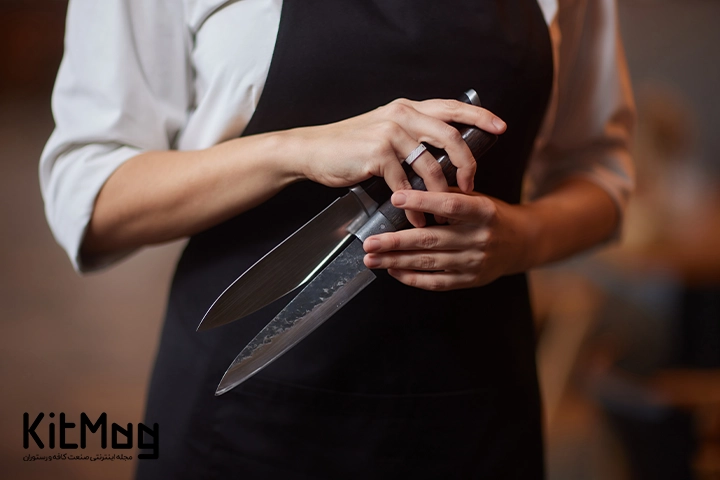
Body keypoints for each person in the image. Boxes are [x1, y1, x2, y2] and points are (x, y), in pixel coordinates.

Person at [40, 0, 635, 478]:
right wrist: (294, 151)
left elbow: (601, 175)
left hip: (472, 417)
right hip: (241, 425)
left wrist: (524, 238)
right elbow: (88, 197)